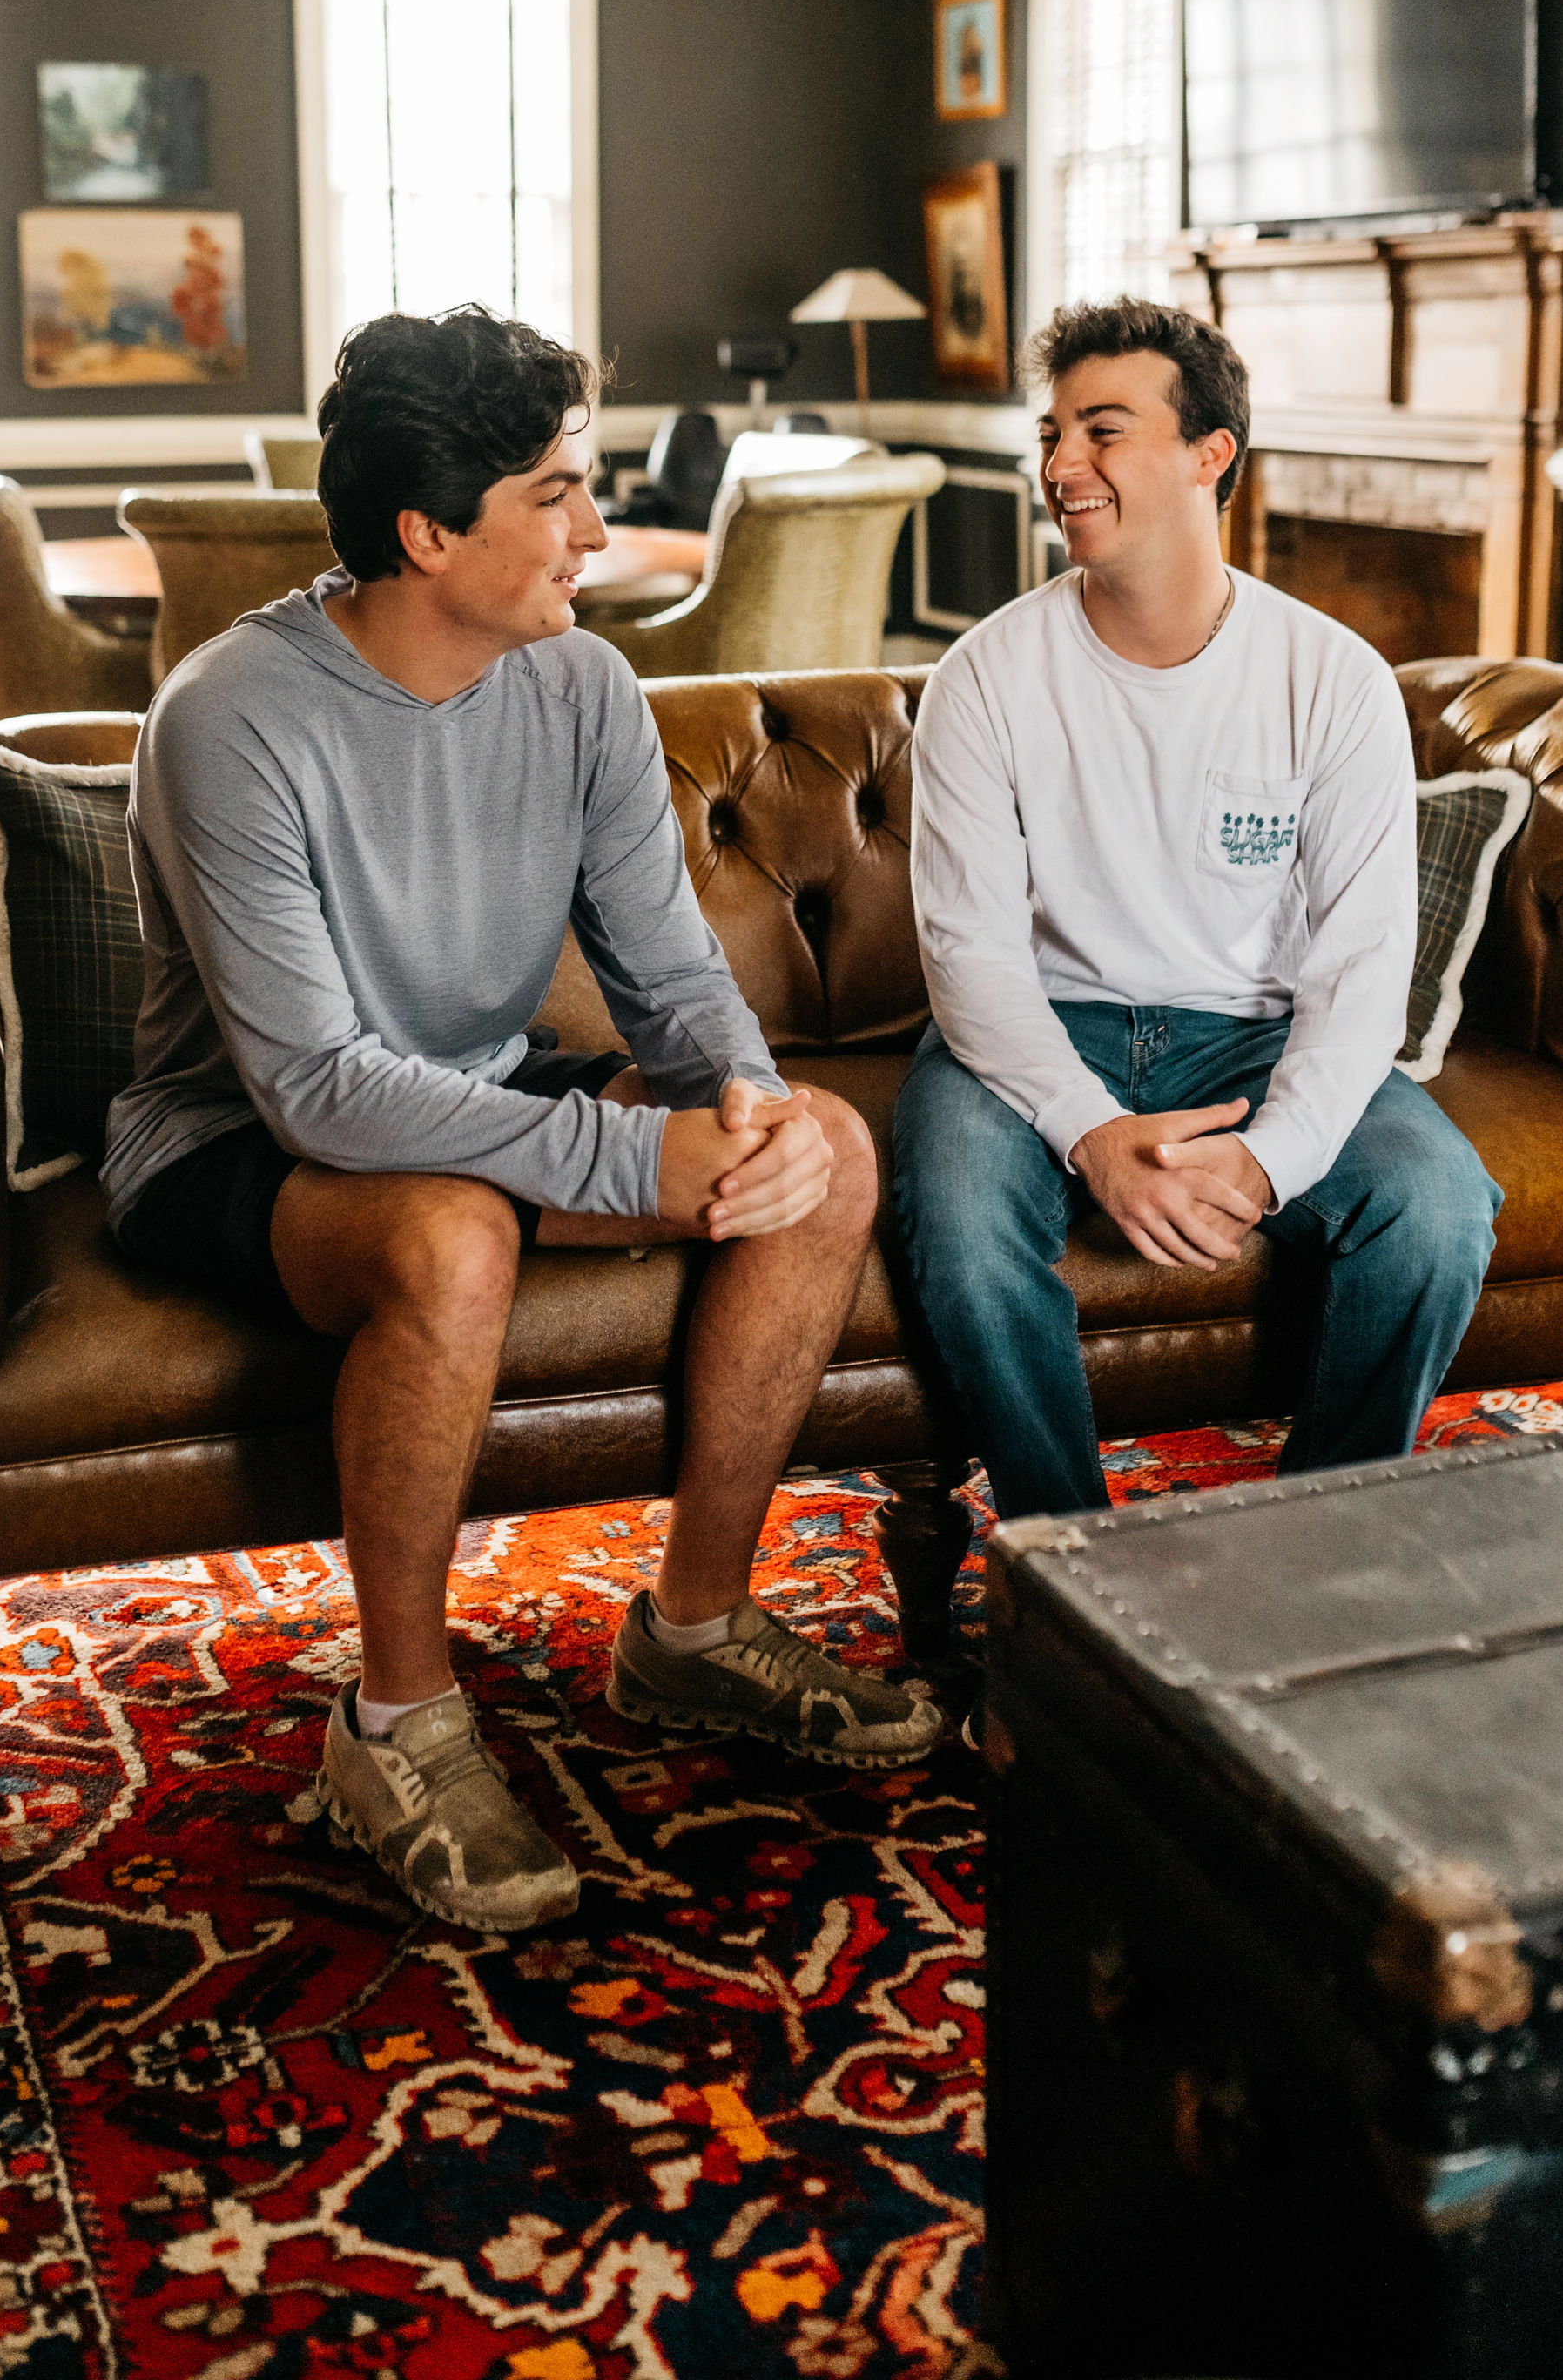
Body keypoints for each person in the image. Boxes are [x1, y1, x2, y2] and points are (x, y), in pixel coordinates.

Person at [104, 306, 938, 1935]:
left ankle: (693, 1632)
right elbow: (319, 1085)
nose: (597, 531)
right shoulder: (229, 716)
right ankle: (397, 1725)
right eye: (556, 494)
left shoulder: (580, 684)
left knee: (828, 1156)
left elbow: (670, 969)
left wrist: (743, 1101)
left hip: (470, 1089)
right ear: (429, 532)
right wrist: (639, 1156)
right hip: (239, 1140)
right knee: (448, 1230)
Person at [893, 298, 1499, 1522]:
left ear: (1209, 453)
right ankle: (1071, 1576)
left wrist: (1269, 1164)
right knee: (957, 1223)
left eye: (1102, 431)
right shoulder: (983, 678)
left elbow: (1363, 964)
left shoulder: (1331, 679)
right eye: (1053, 432)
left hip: (1252, 1033)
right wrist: (1092, 1134)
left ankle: (1301, 1551)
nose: (1060, 466)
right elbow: (969, 956)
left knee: (1437, 1206)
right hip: (1035, 1030)